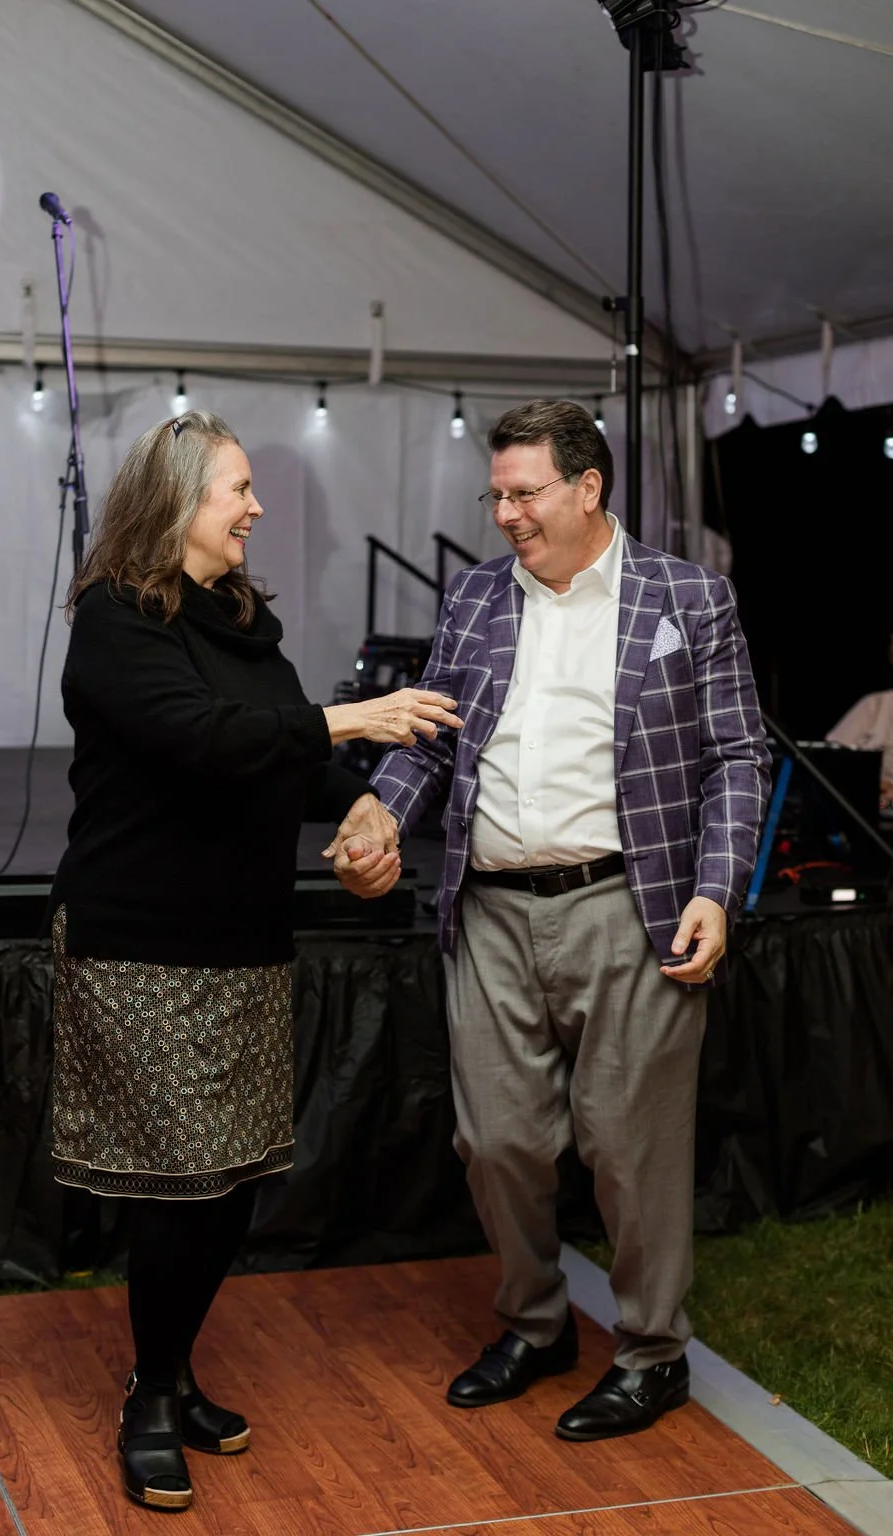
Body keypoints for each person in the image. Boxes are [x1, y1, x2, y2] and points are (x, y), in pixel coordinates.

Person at [326, 400, 770, 1442]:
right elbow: (433, 739)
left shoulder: (687, 595)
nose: (506, 516)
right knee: (494, 1141)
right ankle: (536, 1326)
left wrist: (716, 888)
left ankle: (652, 1353)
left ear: (587, 486)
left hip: (630, 904)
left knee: (630, 1147)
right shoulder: (476, 595)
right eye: (496, 496)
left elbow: (737, 756)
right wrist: (379, 810)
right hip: (488, 909)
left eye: (524, 494)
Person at [47, 408, 462, 1513]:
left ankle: (175, 1369)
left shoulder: (239, 620)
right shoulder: (115, 619)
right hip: (142, 941)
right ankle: (149, 1396)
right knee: (184, 1180)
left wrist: (367, 813)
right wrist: (356, 718)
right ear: (178, 501)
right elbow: (205, 739)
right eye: (238, 489)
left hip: (243, 940)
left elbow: (286, 760)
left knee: (232, 1179)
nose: (256, 507)